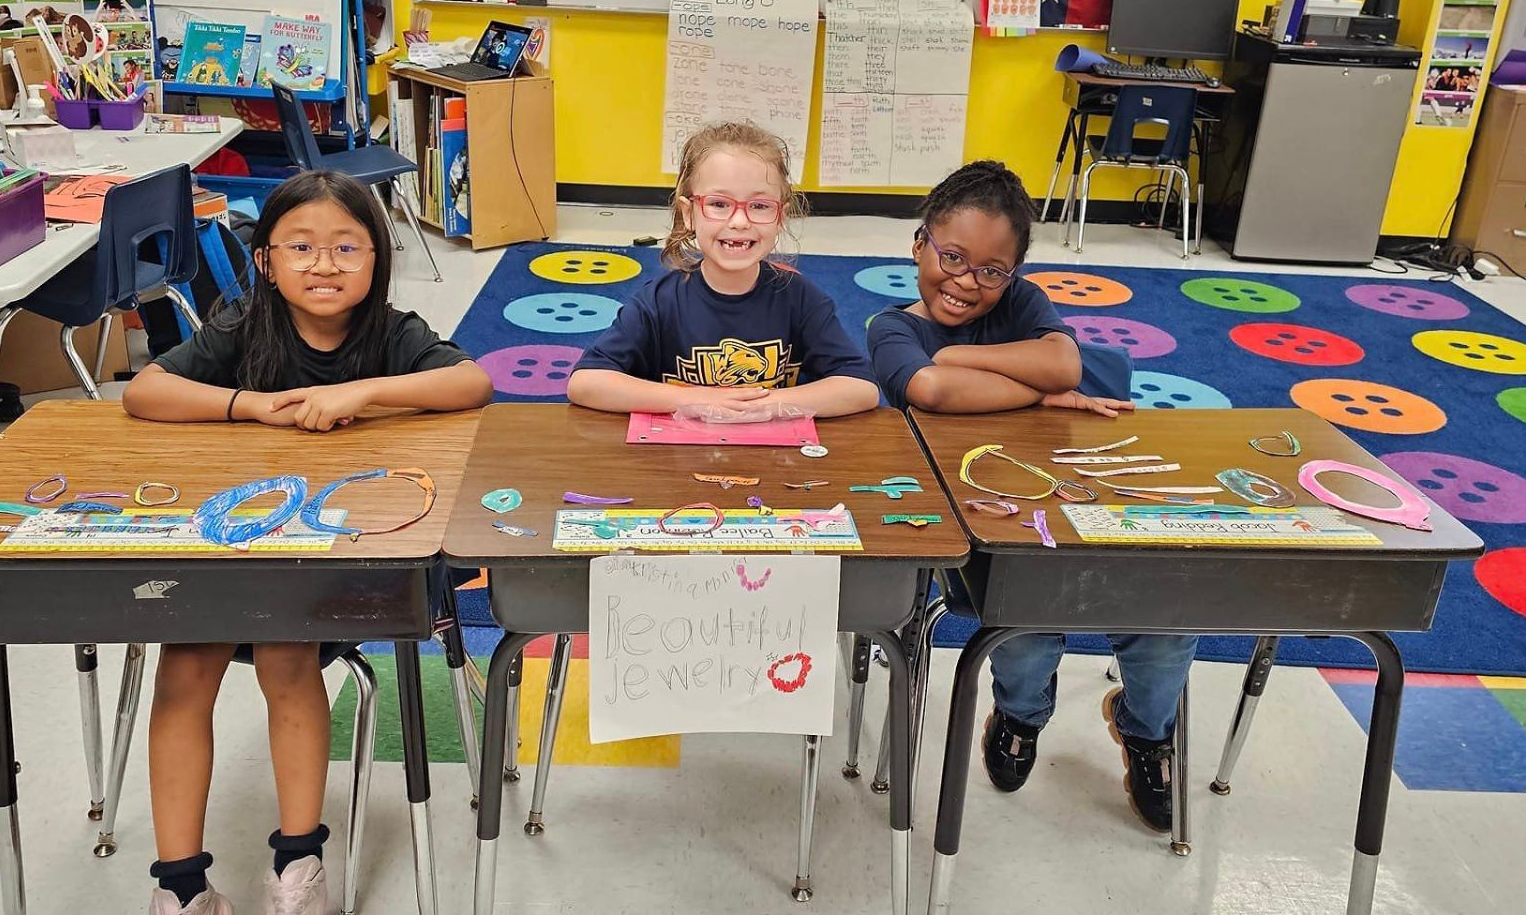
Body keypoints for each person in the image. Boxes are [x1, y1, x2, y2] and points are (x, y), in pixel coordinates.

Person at [122, 171, 493, 915]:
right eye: (301, 247)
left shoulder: (389, 331)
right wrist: (249, 406)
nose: (324, 266)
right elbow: (144, 392)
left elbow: (472, 383)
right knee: (184, 666)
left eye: (347, 249)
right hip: (229, 551)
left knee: (286, 656)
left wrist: (362, 393)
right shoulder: (242, 322)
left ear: (377, 261)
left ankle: (300, 861)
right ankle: (181, 887)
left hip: (328, 568)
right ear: (266, 260)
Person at [864, 160, 1191, 835]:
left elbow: (1067, 365)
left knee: (1167, 613)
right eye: (951, 257)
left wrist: (961, 360)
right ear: (919, 243)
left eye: (992, 269)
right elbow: (933, 393)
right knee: (1027, 631)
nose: (966, 281)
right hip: (983, 528)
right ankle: (1019, 715)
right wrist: (1034, 391)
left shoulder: (1017, 304)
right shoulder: (889, 330)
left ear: (1013, 271)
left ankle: (1147, 732)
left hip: (1071, 494)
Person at [566, 121, 879, 418]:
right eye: (719, 204)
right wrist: (695, 399)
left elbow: (860, 387)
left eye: (759, 206)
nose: (739, 221)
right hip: (677, 461)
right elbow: (585, 382)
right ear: (689, 214)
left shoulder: (801, 300)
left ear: (780, 217)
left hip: (773, 462)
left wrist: (767, 404)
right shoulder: (658, 303)